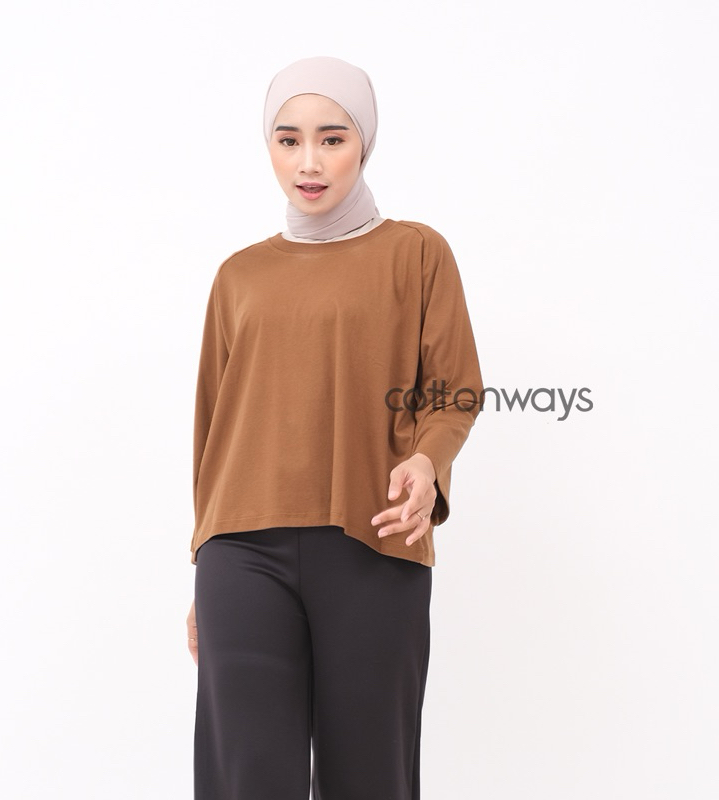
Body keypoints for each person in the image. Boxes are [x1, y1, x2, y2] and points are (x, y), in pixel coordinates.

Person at [186, 55, 483, 799]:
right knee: (246, 779)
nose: (309, 162)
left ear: (364, 142)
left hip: (373, 537)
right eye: (288, 140)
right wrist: (203, 560)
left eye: (332, 138)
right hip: (241, 554)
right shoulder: (238, 276)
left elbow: (454, 392)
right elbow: (212, 429)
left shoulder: (415, 253)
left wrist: (427, 463)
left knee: (370, 777)